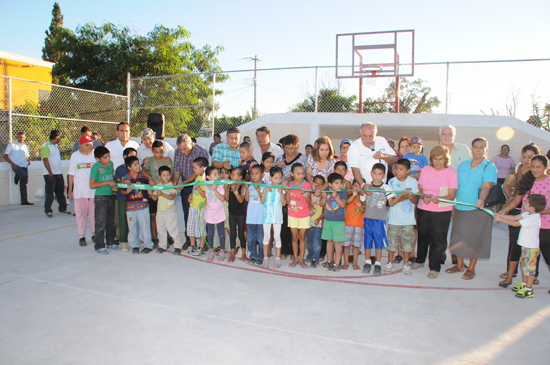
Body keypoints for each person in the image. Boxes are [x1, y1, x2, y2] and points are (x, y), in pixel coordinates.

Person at [446, 137, 497, 280]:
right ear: (471, 148)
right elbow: (456, 185)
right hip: (460, 206)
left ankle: (471, 268)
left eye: (482, 147)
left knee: (475, 238)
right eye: (476, 147)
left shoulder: (489, 166)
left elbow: (487, 185)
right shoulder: (463, 164)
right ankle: (459, 265)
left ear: (486, 150)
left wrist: (481, 199)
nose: (478, 150)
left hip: (477, 208)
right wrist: (453, 204)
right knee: (459, 237)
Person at [498, 154, 549, 287]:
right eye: (533, 167)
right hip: (524, 222)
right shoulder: (527, 180)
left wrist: (540, 212)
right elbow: (517, 200)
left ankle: (528, 285)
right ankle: (509, 278)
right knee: (516, 250)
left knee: (547, 254)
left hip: (545, 225)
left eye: (539, 167)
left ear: (546, 167)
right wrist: (505, 210)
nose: (535, 170)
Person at [414, 145, 458, 278]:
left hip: (441, 211)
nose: (438, 162)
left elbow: (451, 195)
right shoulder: (426, 169)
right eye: (435, 159)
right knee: (423, 237)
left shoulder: (452, 172)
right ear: (431, 159)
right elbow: (420, 190)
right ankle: (420, 260)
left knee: (438, 239)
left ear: (446, 159)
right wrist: (423, 197)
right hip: (423, 209)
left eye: (441, 159)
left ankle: (434, 267)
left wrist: (440, 198)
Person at [494, 194, 547, 298]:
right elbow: (514, 217)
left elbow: (516, 223)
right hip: (525, 247)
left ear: (532, 207)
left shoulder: (533, 218)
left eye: (526, 203)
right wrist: (500, 215)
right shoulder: (528, 214)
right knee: (524, 267)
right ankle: (524, 284)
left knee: (530, 270)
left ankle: (529, 290)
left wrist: (501, 220)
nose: (524, 204)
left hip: (531, 249)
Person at [275, 134, 308, 259]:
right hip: (282, 196)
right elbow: (273, 174)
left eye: (292, 148)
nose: (289, 151)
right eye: (286, 148)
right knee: (284, 223)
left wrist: (290, 179)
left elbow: (303, 176)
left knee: (297, 226)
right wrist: (277, 167)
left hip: (298, 197)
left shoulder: (303, 159)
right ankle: (285, 250)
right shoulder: (279, 158)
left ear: (297, 146)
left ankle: (297, 253)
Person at [172, 134, 209, 247]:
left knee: (203, 214)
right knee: (188, 213)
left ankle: (204, 243)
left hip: (200, 186)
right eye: (181, 149)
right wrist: (175, 183)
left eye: (186, 149)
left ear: (191, 144)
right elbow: (177, 171)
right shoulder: (177, 152)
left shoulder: (201, 151)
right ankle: (189, 240)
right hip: (186, 187)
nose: (183, 151)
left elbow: (197, 173)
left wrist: (183, 182)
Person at [385, 159, 419, 275]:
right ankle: (389, 262)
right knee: (392, 242)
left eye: (401, 169)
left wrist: (410, 197)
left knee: (407, 243)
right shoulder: (391, 182)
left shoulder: (413, 182)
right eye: (396, 169)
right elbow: (391, 201)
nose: (398, 172)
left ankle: (406, 263)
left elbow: (415, 200)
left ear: (408, 171)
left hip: (408, 220)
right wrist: (402, 197)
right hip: (394, 219)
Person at [142, 140, 173, 247]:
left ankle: (168, 236)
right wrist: (149, 177)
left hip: (165, 193)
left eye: (161, 151)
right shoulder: (149, 160)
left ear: (164, 150)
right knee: (154, 215)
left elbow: (171, 176)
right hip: (154, 193)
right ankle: (155, 238)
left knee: (167, 215)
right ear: (152, 151)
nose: (159, 154)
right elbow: (143, 170)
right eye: (156, 152)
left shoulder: (168, 161)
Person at [120, 156, 153, 255]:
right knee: (132, 227)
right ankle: (134, 245)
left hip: (143, 205)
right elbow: (121, 190)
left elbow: (151, 184)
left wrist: (151, 182)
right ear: (129, 167)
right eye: (135, 164)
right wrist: (127, 191)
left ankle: (148, 245)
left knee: (145, 226)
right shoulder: (126, 178)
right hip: (131, 207)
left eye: (138, 163)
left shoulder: (143, 176)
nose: (138, 166)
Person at [362, 163, 391, 275]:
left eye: (380, 174)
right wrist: (361, 192)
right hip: (368, 218)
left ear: (384, 175)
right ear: (371, 173)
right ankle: (367, 261)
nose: (377, 176)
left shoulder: (387, 188)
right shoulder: (367, 187)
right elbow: (363, 201)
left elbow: (392, 201)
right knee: (368, 241)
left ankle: (378, 263)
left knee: (378, 242)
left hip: (379, 220)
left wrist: (403, 196)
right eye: (375, 173)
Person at [68, 135, 97, 247]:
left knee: (94, 214)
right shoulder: (75, 156)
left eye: (91, 144)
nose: (90, 146)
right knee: (81, 214)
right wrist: (70, 190)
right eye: (87, 145)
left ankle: (94, 233)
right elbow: (71, 174)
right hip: (80, 191)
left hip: (94, 191)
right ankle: (81, 236)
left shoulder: (95, 155)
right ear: (80, 146)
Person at [349, 122, 397, 189]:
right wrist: (363, 185)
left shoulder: (382, 141)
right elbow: (355, 169)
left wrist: (383, 156)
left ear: (375, 134)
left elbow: (395, 159)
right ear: (360, 134)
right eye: (365, 136)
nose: (368, 139)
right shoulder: (354, 146)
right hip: (363, 188)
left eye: (371, 136)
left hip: (382, 187)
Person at [89, 146, 118, 254]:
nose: (108, 159)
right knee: (101, 223)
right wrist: (107, 183)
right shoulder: (95, 168)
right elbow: (92, 184)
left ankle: (110, 242)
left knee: (111, 222)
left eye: (108, 156)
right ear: (98, 159)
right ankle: (99, 245)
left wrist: (114, 186)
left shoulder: (110, 165)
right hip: (101, 198)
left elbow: (112, 179)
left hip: (111, 196)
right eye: (105, 157)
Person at [149, 166, 184, 255]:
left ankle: (177, 246)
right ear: (160, 176)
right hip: (160, 211)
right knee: (161, 229)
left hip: (170, 211)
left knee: (173, 229)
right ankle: (162, 245)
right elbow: (155, 198)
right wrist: (151, 193)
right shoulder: (158, 186)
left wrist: (162, 193)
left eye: (168, 175)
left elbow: (172, 197)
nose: (166, 177)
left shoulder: (171, 185)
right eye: (164, 175)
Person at [320, 172, 348, 272]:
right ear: (330, 184)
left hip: (338, 222)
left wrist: (336, 197)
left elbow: (343, 205)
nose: (339, 185)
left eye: (341, 182)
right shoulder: (327, 191)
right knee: (329, 242)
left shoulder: (342, 192)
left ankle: (337, 263)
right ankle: (329, 261)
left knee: (337, 243)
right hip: (328, 221)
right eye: (336, 183)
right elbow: (321, 204)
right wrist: (323, 197)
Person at [286, 163, 311, 268]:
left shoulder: (307, 185)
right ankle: (295, 258)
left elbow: (309, 202)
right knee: (294, 237)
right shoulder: (289, 185)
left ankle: (301, 259)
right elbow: (287, 202)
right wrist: (287, 192)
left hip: (304, 214)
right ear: (292, 174)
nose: (301, 176)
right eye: (298, 174)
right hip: (292, 214)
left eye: (302, 174)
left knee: (302, 237)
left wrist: (305, 194)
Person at [113, 147, 138, 252]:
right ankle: (123, 241)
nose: (134, 157)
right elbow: (117, 183)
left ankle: (134, 240)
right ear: (125, 157)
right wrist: (124, 182)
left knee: (133, 221)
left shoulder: (137, 169)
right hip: (122, 197)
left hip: (134, 199)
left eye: (135, 156)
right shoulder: (119, 169)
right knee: (122, 219)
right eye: (131, 155)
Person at [261, 167, 286, 268]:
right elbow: (262, 202)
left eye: (280, 178)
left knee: (277, 237)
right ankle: (265, 258)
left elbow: (284, 203)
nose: (278, 180)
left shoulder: (281, 190)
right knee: (266, 237)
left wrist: (281, 193)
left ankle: (277, 259)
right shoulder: (265, 188)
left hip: (277, 218)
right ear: (270, 177)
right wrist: (264, 192)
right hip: (266, 217)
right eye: (275, 178)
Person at [42, 130, 70, 217]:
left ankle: (63, 209)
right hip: (50, 174)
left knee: (60, 192)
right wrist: (50, 172)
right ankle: (48, 210)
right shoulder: (46, 146)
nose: (60, 140)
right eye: (60, 138)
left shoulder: (55, 146)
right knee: (50, 193)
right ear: (56, 137)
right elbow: (45, 159)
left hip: (58, 173)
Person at [204, 166, 227, 261]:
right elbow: (208, 198)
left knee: (221, 233)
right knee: (210, 233)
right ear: (208, 177)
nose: (218, 176)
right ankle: (210, 251)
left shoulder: (221, 185)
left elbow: (222, 199)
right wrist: (203, 204)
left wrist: (214, 189)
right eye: (215, 175)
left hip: (220, 213)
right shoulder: (206, 186)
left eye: (218, 174)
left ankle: (222, 251)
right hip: (210, 213)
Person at [186, 157, 208, 256]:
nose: (194, 170)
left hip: (201, 208)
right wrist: (191, 195)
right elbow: (194, 189)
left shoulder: (206, 180)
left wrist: (199, 188)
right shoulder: (197, 178)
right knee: (190, 227)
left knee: (201, 228)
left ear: (203, 168)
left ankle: (201, 247)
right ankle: (192, 245)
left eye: (195, 168)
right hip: (193, 206)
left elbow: (205, 195)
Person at [4, 131, 32, 205]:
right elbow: (5, 155)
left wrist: (28, 161)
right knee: (23, 176)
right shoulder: (12, 145)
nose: (21, 138)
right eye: (20, 137)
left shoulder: (25, 146)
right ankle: (17, 176)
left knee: (24, 183)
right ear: (17, 137)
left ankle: (24, 200)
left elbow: (26, 156)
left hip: (24, 166)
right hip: (17, 166)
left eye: (23, 137)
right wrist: (13, 164)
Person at [226, 167, 247, 263]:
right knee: (232, 234)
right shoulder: (230, 185)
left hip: (241, 214)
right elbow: (227, 199)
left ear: (240, 177)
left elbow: (241, 200)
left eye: (233, 175)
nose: (231, 176)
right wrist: (226, 190)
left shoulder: (243, 187)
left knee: (241, 234)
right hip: (232, 213)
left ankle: (243, 254)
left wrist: (235, 191)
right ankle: (232, 254)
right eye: (231, 174)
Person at [246, 165, 266, 265]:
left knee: (261, 238)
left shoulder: (265, 186)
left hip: (261, 218)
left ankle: (261, 256)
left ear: (262, 175)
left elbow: (263, 200)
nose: (253, 176)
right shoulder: (250, 185)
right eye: (252, 174)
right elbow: (246, 199)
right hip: (250, 217)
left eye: (256, 173)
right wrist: (245, 189)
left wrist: (258, 189)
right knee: (250, 238)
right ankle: (253, 254)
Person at [344, 179, 365, 270]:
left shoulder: (362, 198)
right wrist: (353, 195)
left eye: (359, 186)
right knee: (346, 245)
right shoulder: (349, 196)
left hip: (358, 225)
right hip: (348, 224)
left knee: (356, 246)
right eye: (355, 186)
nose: (357, 188)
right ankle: (346, 262)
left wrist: (360, 206)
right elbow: (347, 202)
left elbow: (364, 210)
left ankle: (355, 263)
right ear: (352, 187)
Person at [306, 175, 325, 269]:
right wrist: (309, 204)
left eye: (321, 184)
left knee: (316, 243)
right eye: (316, 183)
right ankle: (310, 256)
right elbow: (306, 200)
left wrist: (319, 218)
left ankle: (315, 259)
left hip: (318, 224)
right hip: (308, 222)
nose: (318, 186)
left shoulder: (324, 196)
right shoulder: (310, 193)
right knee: (309, 242)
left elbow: (326, 210)